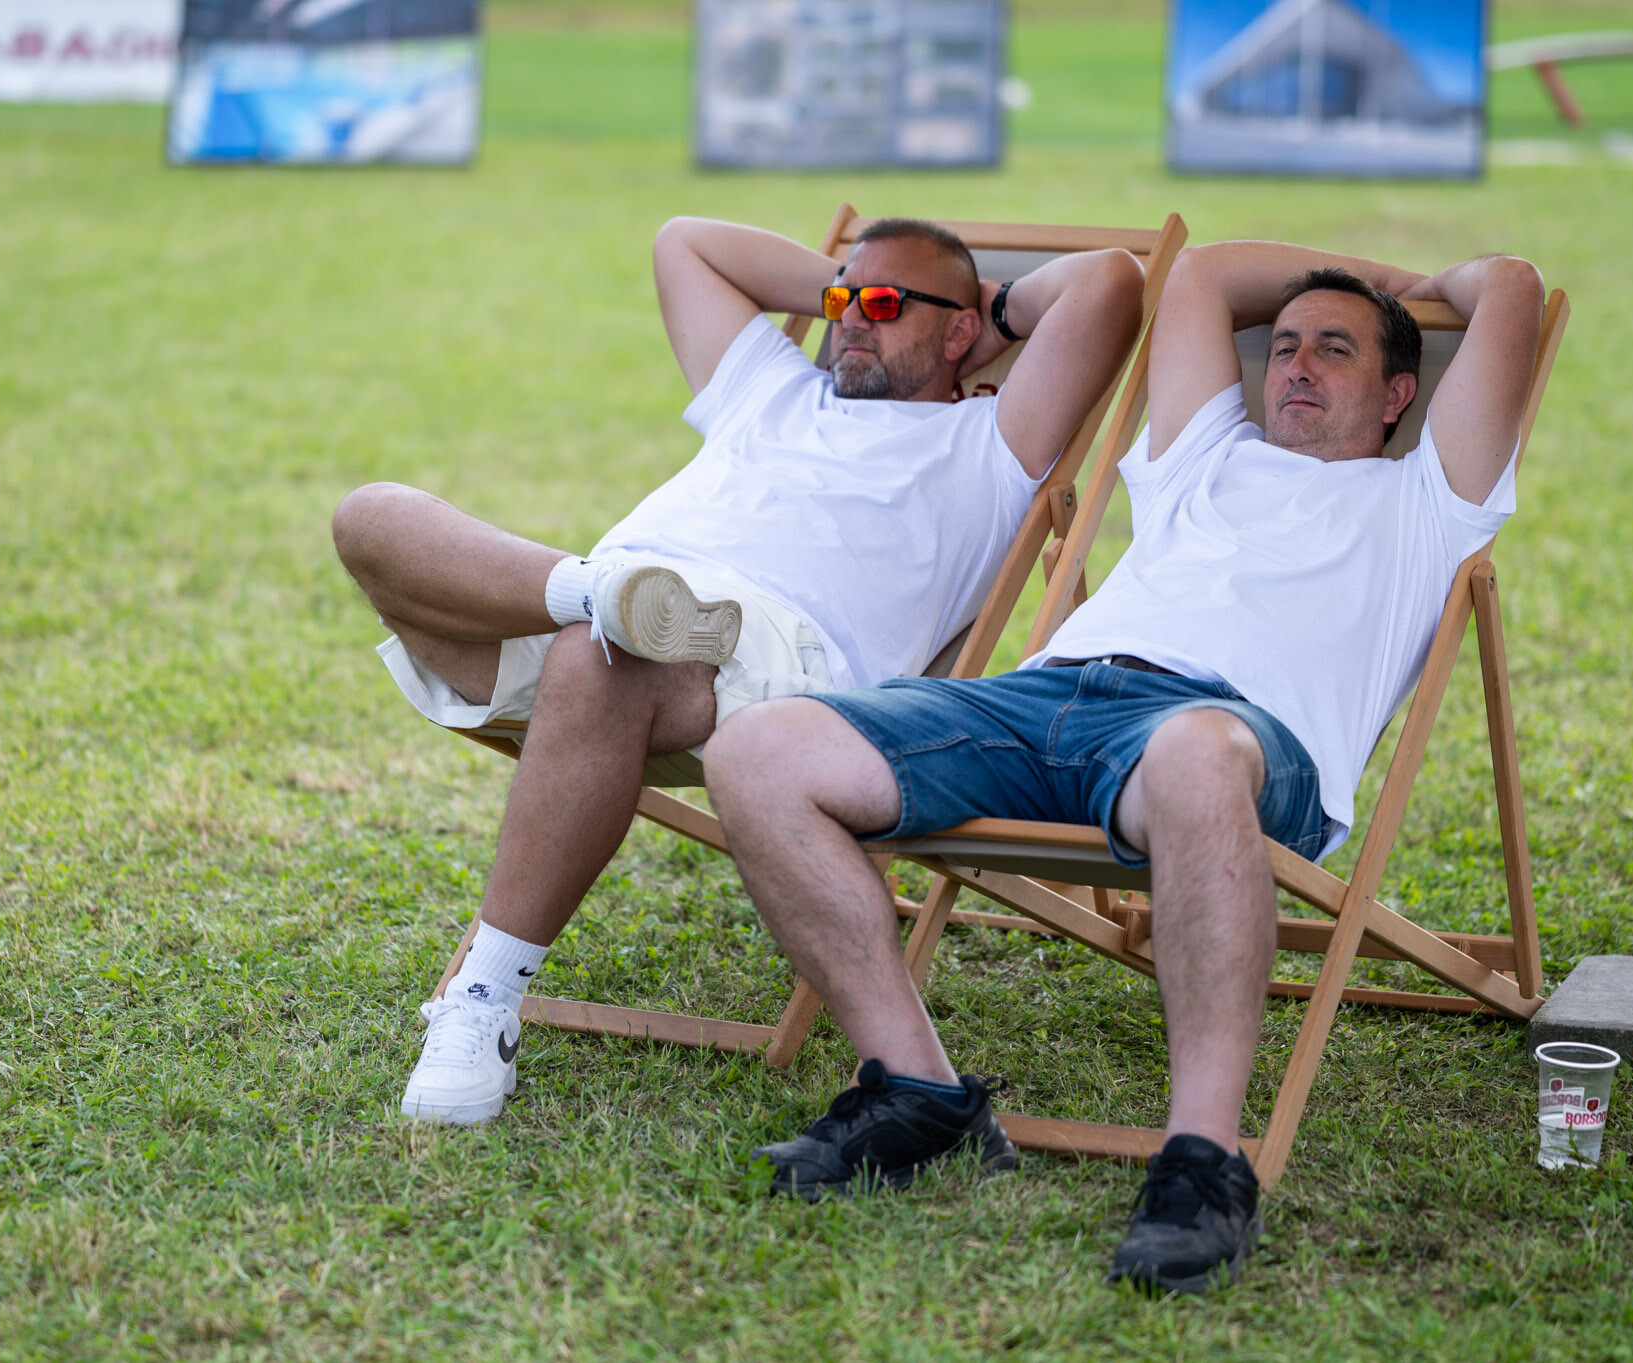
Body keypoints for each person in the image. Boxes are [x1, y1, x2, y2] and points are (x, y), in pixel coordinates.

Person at [702, 240, 1546, 1294]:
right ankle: (918, 1091)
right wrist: (1360, 290)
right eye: (1285, 345)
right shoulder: (1204, 454)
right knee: (757, 747)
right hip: (1046, 700)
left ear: (1398, 395)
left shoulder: (1431, 498)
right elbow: (1203, 277)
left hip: (1227, 735)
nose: (1295, 364)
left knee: (1195, 750)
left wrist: (1400, 289)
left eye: (1335, 350)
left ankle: (1202, 1161)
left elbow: (1508, 286)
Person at [332, 215, 1147, 1125]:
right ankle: (602, 591)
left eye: (883, 303)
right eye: (840, 299)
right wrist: (863, 291)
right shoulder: (774, 388)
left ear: (961, 329)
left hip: (776, 656)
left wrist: (990, 311)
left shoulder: (991, 443)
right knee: (371, 515)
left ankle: (482, 998)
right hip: (600, 612)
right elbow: (684, 242)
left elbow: (1110, 282)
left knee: (602, 659)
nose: (850, 319)